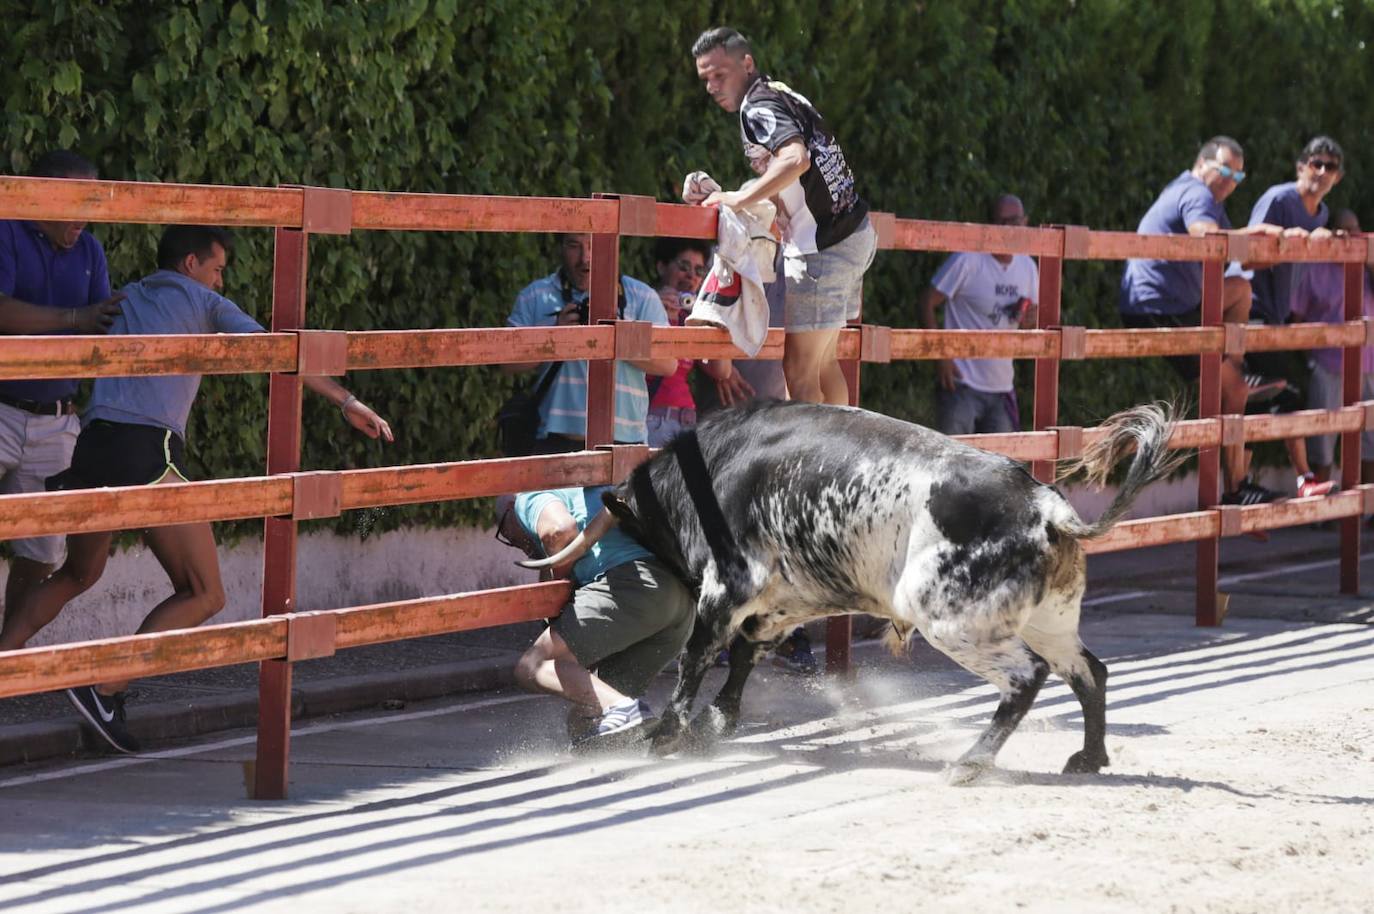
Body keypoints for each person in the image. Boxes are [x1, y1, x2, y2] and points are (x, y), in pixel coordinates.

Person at [0, 225, 393, 754]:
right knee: (206, 592)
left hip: (93, 445)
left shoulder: (125, 295)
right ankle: (104, 687)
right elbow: (278, 351)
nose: (220, 278)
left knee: (77, 572)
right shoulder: (203, 301)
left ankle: (4, 665)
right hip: (149, 451)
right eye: (217, 268)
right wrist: (347, 402)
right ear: (191, 264)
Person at [689, 26, 876, 406]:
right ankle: (839, 460)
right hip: (850, 233)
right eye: (705, 78)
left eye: (719, 74)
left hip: (823, 248)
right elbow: (795, 167)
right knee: (823, 366)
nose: (711, 86)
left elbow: (795, 158)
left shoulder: (758, 107)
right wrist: (749, 196)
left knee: (798, 371)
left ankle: (812, 464)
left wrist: (739, 199)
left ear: (747, 63)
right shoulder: (778, 93)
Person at [1119, 135, 1290, 506]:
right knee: (1236, 391)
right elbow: (1207, 239)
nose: (1231, 181)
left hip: (1177, 303)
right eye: (1225, 171)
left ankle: (1235, 364)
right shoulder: (1197, 194)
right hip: (1158, 308)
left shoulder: (1199, 195)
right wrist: (1255, 235)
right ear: (1202, 164)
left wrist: (1275, 248)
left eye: (1239, 177)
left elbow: (1237, 262)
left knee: (1240, 291)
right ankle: (1236, 488)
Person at [0, 150, 125, 634]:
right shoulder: (8, 229)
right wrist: (74, 320)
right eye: (75, 200)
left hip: (57, 419)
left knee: (42, 555)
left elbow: (103, 330)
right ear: (41, 192)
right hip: (3, 407)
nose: (83, 216)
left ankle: (8, 663)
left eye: (91, 202)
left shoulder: (90, 250)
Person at [505, 485, 695, 749]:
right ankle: (668, 736)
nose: (514, 543)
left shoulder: (526, 497)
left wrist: (559, 580)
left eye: (505, 533)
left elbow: (559, 531)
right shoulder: (590, 493)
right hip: (679, 604)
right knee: (589, 713)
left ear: (507, 511)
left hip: (633, 587)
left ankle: (626, 710)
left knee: (532, 666)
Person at [502, 233, 676, 453]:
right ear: (560, 248)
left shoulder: (641, 296)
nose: (585, 258)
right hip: (555, 442)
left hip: (625, 444)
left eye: (594, 246)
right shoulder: (535, 295)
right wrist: (555, 337)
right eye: (574, 245)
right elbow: (506, 363)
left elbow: (668, 364)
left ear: (611, 248)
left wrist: (616, 335)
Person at [1241, 136, 1346, 498]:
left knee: (1253, 400)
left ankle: (1237, 488)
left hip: (1277, 316)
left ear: (1338, 177)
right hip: (1248, 308)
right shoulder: (1278, 199)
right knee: (1282, 391)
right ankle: (1305, 479)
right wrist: (1288, 240)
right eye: (1315, 163)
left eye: (1329, 167)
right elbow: (1244, 256)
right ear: (1300, 167)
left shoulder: (1323, 214)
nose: (1321, 172)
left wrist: (1323, 240)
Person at [919, 194, 1039, 434]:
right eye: (1002, 222)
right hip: (961, 384)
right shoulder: (968, 261)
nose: (1010, 229)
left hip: (1002, 387)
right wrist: (940, 356)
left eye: (1016, 221)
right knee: (951, 465)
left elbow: (1030, 321)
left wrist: (1029, 320)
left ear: (1025, 222)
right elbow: (926, 302)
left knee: (1001, 467)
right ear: (990, 225)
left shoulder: (1028, 266)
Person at [1289, 209, 1374, 489]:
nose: (1350, 237)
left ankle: (1366, 509)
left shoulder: (1367, 268)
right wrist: (1310, 362)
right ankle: (1320, 506)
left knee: (1369, 440)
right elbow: (1296, 319)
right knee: (1322, 439)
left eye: (1355, 229)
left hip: (1367, 365)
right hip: (1327, 364)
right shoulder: (1316, 269)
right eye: (1343, 230)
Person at [645, 237, 736, 447]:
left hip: (688, 421)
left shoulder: (692, 317)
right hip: (652, 421)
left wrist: (716, 320)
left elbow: (722, 370)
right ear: (661, 267)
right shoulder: (643, 304)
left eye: (699, 271)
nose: (691, 276)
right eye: (683, 267)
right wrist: (654, 310)